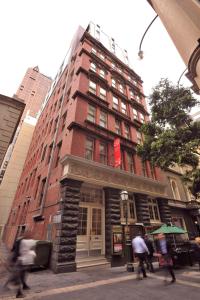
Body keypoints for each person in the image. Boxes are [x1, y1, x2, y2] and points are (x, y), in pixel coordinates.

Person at [5, 233, 36, 298]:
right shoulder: (22, 241)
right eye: (30, 235)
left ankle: (22, 286)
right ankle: (18, 292)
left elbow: (14, 249)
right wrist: (14, 260)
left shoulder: (23, 241)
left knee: (20, 274)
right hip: (19, 260)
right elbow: (16, 251)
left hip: (22, 260)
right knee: (16, 275)